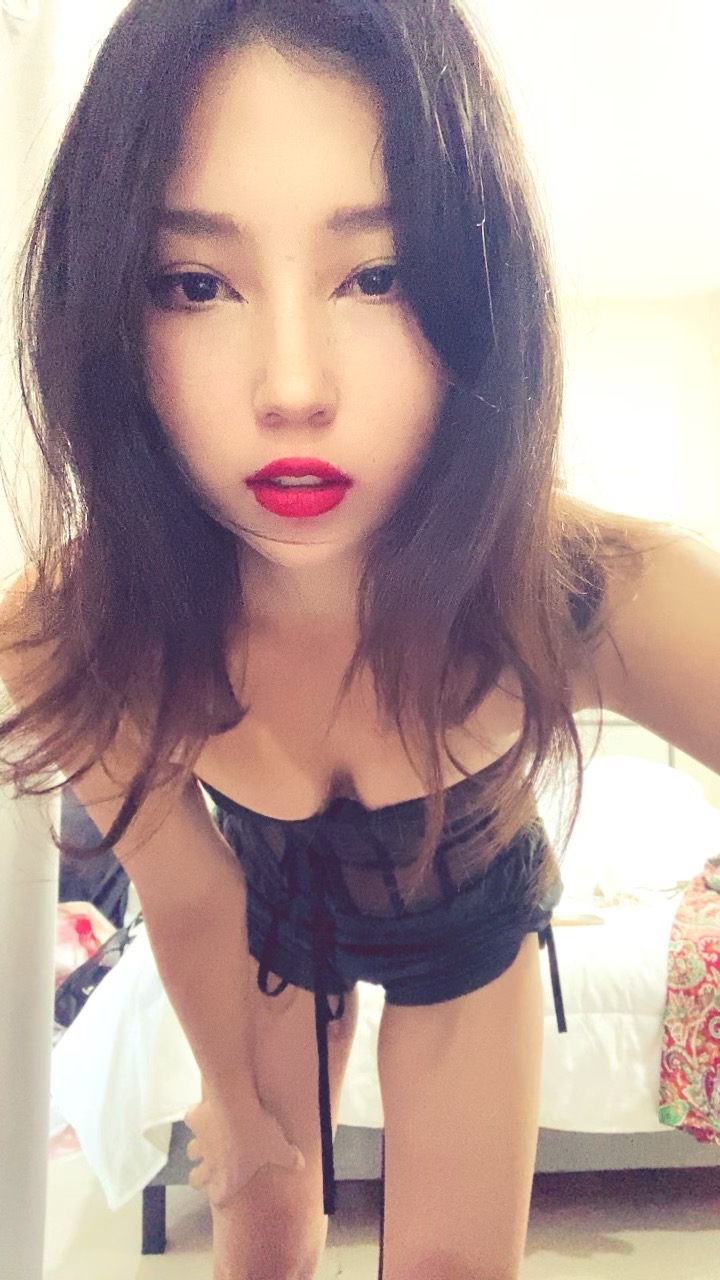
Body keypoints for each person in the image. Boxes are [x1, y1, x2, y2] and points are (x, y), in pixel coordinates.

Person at [1, 3, 715, 1278]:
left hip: (470, 943)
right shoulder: (76, 631)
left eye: (376, 274)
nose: (292, 387)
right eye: (195, 283)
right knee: (264, 1238)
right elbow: (186, 889)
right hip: (270, 934)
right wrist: (240, 1114)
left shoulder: (580, 591)